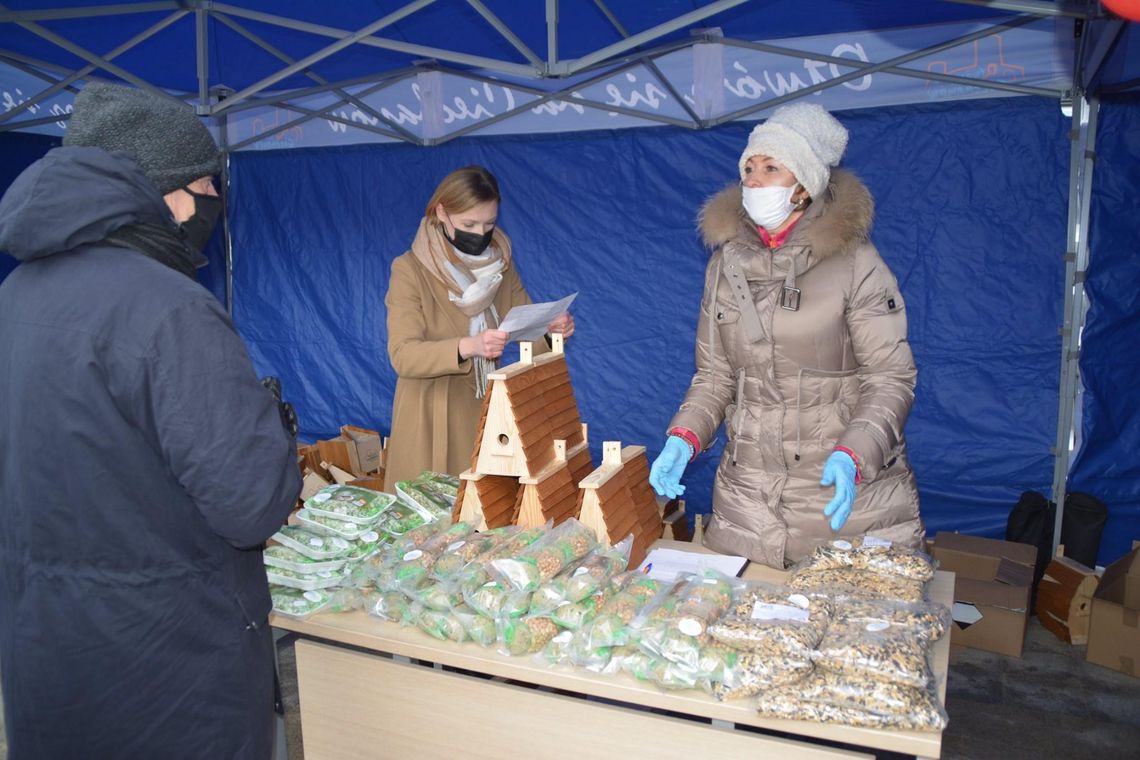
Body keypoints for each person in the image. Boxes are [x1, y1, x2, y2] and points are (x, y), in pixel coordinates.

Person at [0, 82, 301, 758]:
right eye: (207, 187)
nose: (213, 207)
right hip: (173, 670)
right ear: (167, 194)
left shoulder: (12, 297)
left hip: (46, 649)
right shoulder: (168, 309)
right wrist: (269, 431)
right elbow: (251, 503)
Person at [649, 103, 923, 568]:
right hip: (747, 507)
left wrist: (855, 454)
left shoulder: (857, 264)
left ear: (804, 185)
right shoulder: (724, 265)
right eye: (748, 168)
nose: (752, 181)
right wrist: (685, 436)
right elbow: (715, 376)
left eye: (770, 168)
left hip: (841, 504)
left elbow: (890, 378)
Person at [385, 165, 574, 487]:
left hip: (487, 410)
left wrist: (550, 330)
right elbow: (402, 355)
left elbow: (525, 326)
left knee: (483, 516)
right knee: (430, 524)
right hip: (430, 415)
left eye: (488, 224)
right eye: (468, 224)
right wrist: (468, 346)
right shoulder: (409, 270)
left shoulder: (502, 262)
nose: (480, 233)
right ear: (441, 212)